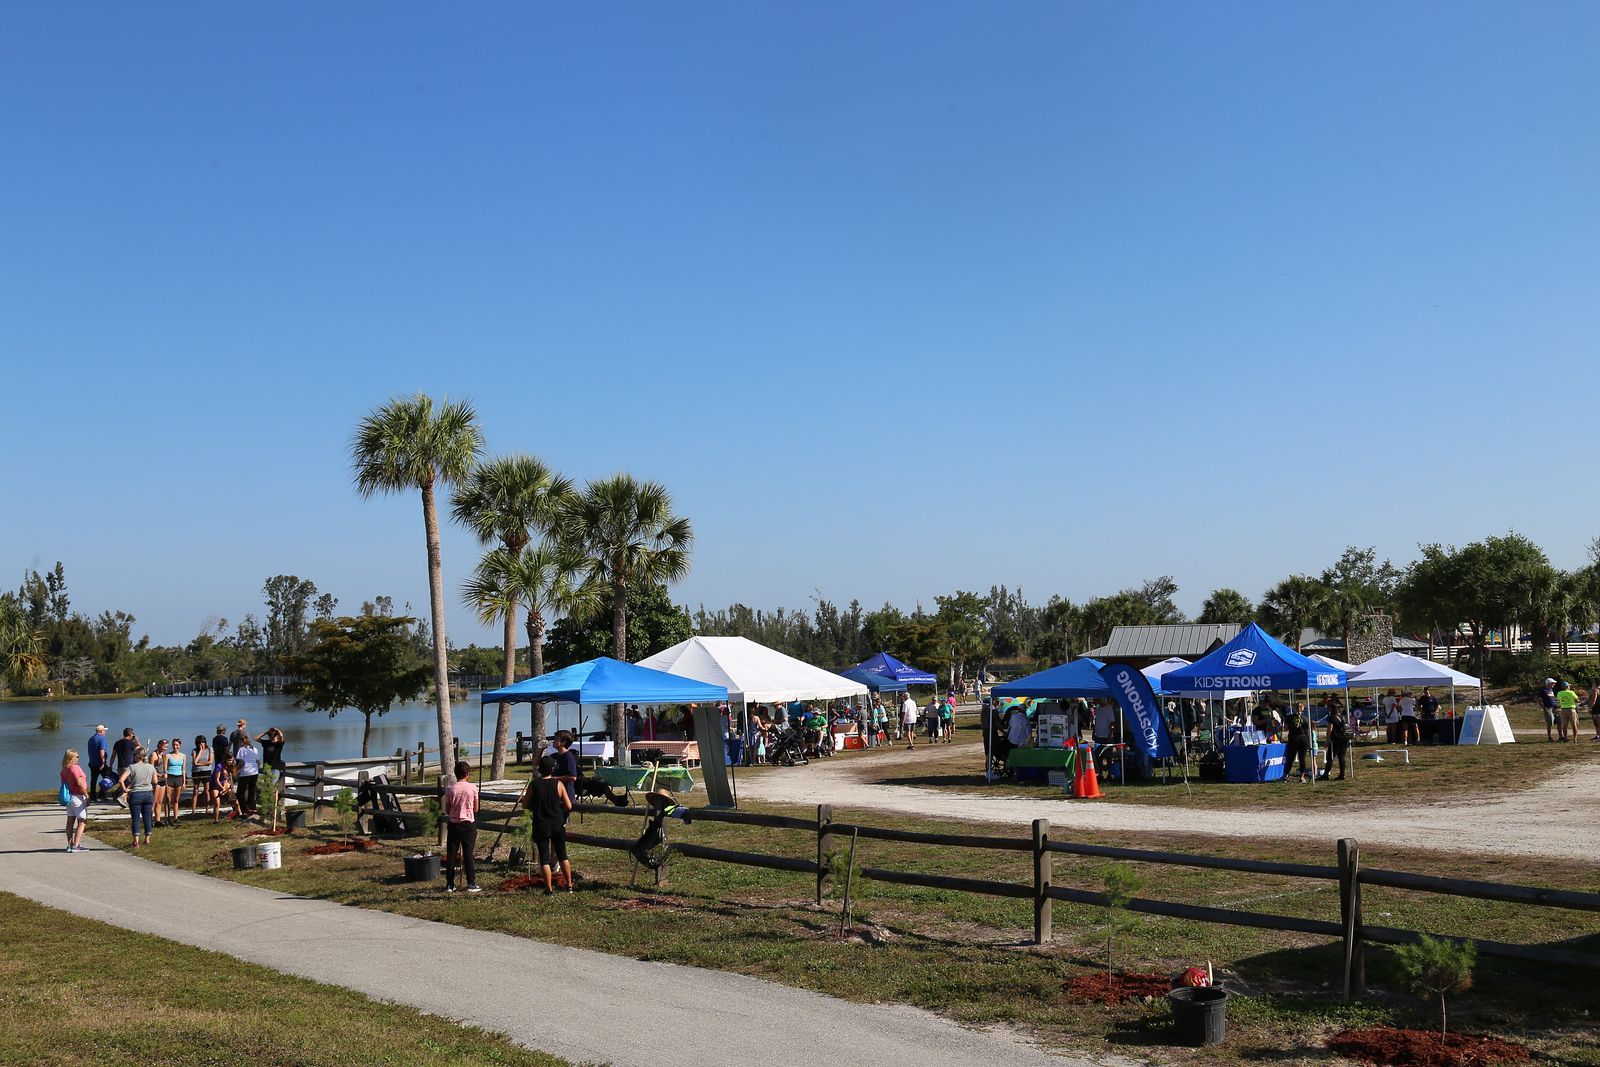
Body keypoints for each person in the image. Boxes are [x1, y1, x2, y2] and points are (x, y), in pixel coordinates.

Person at [521, 755, 574, 894]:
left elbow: (525, 805)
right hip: (557, 823)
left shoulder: (534, 784)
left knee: (544, 858)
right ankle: (569, 885)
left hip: (541, 824)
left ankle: (549, 889)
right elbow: (568, 805)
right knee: (563, 855)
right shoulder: (558, 784)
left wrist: (536, 806)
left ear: (540, 769)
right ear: (552, 770)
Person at [442, 759, 481, 893]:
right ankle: (471, 883)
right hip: (468, 824)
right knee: (468, 854)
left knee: (451, 854)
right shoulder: (473, 788)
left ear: (456, 774)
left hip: (454, 823)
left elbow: (447, 809)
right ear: (467, 774)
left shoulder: (450, 790)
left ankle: (450, 884)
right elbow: (476, 808)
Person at [118, 746, 157, 846]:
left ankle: (136, 841)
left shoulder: (132, 767)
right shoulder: (151, 767)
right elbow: (155, 781)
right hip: (148, 793)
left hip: (135, 794)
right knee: (147, 817)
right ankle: (147, 839)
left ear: (136, 756)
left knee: (135, 818)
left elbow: (121, 780)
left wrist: (125, 789)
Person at [61, 749, 89, 852]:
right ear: (71, 758)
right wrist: (87, 795)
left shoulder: (64, 770)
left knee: (70, 821)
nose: (78, 758)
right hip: (78, 797)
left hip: (69, 798)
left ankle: (70, 844)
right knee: (82, 821)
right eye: (76, 756)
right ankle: (76, 846)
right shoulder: (75, 768)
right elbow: (80, 784)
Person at [233, 732, 262, 816]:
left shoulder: (242, 749)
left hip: (245, 773)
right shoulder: (254, 749)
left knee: (240, 793)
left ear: (242, 742)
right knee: (252, 791)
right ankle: (252, 807)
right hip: (254, 772)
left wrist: (236, 769)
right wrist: (257, 769)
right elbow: (258, 762)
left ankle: (244, 808)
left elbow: (241, 762)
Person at [1283, 704, 1313, 783]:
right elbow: (1307, 732)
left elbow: (1285, 728)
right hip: (1303, 739)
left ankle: (1286, 775)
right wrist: (1310, 742)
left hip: (1293, 738)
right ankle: (1302, 777)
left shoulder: (1289, 717)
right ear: (1302, 709)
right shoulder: (1306, 719)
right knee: (1302, 759)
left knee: (1290, 758)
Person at [549, 731, 578, 810]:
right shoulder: (554, 756)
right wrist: (541, 749)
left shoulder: (568, 757)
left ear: (563, 742)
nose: (553, 740)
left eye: (556, 738)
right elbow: (537, 763)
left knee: (562, 819)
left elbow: (573, 777)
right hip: (554, 794)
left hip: (566, 794)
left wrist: (554, 779)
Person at [1320, 706, 1351, 781]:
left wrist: (1327, 740)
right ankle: (1342, 774)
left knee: (1330, 757)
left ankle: (1326, 775)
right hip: (1344, 740)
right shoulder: (1342, 717)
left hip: (1336, 740)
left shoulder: (1331, 718)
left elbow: (1329, 729)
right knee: (1341, 757)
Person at [161, 737, 187, 827]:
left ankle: (176, 817)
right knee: (168, 798)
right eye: (173, 745)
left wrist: (184, 782)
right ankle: (167, 817)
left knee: (176, 799)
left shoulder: (183, 756)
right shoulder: (167, 755)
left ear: (179, 746)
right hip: (170, 778)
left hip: (179, 778)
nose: (175, 746)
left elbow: (183, 770)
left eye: (177, 745)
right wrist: (165, 777)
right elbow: (165, 768)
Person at [190, 736, 213, 814]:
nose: (202, 744)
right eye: (200, 742)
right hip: (196, 772)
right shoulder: (194, 751)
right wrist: (200, 751)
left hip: (206, 771)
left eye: (203, 742)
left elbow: (210, 761)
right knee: (195, 791)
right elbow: (195, 762)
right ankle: (193, 810)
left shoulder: (209, 749)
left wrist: (200, 764)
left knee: (206, 790)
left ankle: (207, 809)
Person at [211, 758, 239, 822]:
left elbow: (228, 779)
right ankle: (216, 820)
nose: (230, 762)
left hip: (224, 785)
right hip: (215, 785)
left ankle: (239, 814)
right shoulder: (219, 766)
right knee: (217, 802)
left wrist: (227, 788)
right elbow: (216, 780)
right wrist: (222, 788)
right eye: (229, 760)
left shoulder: (230, 767)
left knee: (234, 800)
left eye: (231, 760)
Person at [87, 725, 109, 803]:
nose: (105, 732)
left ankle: (93, 796)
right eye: (104, 731)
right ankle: (101, 794)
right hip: (100, 763)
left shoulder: (91, 739)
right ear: (101, 731)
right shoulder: (102, 739)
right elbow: (102, 751)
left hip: (92, 763)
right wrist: (103, 762)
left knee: (93, 780)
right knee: (108, 778)